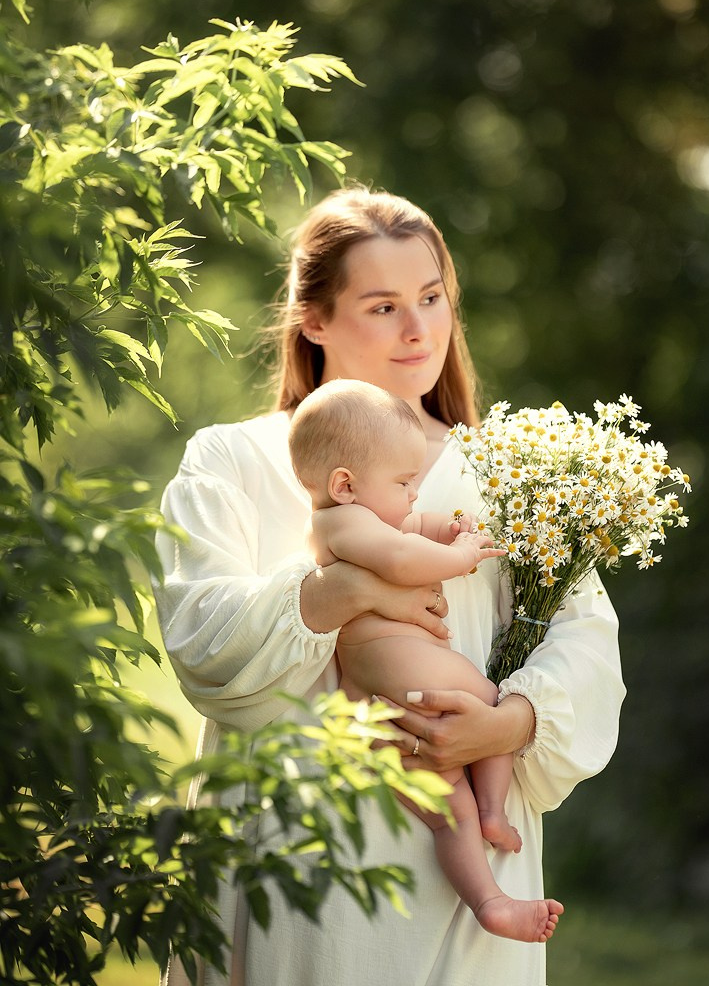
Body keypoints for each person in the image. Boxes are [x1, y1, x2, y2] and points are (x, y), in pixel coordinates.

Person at [155, 184, 626, 986]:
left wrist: (505, 726)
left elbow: (586, 645)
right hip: (301, 862)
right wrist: (353, 591)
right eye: (382, 306)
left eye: (432, 297)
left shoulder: (509, 469)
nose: (419, 330)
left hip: (471, 860)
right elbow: (203, 641)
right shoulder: (233, 459)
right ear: (314, 320)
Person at [288, 377, 563, 944]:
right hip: (405, 674)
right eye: (405, 482)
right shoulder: (341, 524)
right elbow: (402, 555)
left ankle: (489, 900)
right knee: (494, 705)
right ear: (345, 484)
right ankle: (492, 807)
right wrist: (459, 555)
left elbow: (415, 530)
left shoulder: (366, 516)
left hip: (384, 699)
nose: (414, 495)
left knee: (445, 811)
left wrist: (450, 528)